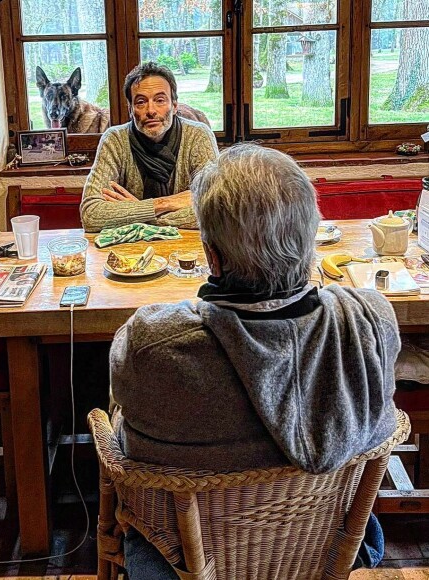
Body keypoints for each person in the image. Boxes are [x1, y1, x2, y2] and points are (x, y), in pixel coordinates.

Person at [110, 143, 401, 577]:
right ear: (310, 239)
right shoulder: (371, 320)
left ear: (212, 256)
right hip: (330, 547)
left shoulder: (151, 344)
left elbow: (122, 427)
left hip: (182, 558)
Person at [80, 62, 219, 233]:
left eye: (160, 100)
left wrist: (134, 212)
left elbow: (215, 210)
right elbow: (91, 215)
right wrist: (162, 204)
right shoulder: (115, 139)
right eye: (140, 102)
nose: (151, 110)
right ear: (130, 109)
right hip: (128, 252)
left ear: (174, 106)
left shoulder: (198, 135)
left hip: (186, 249)